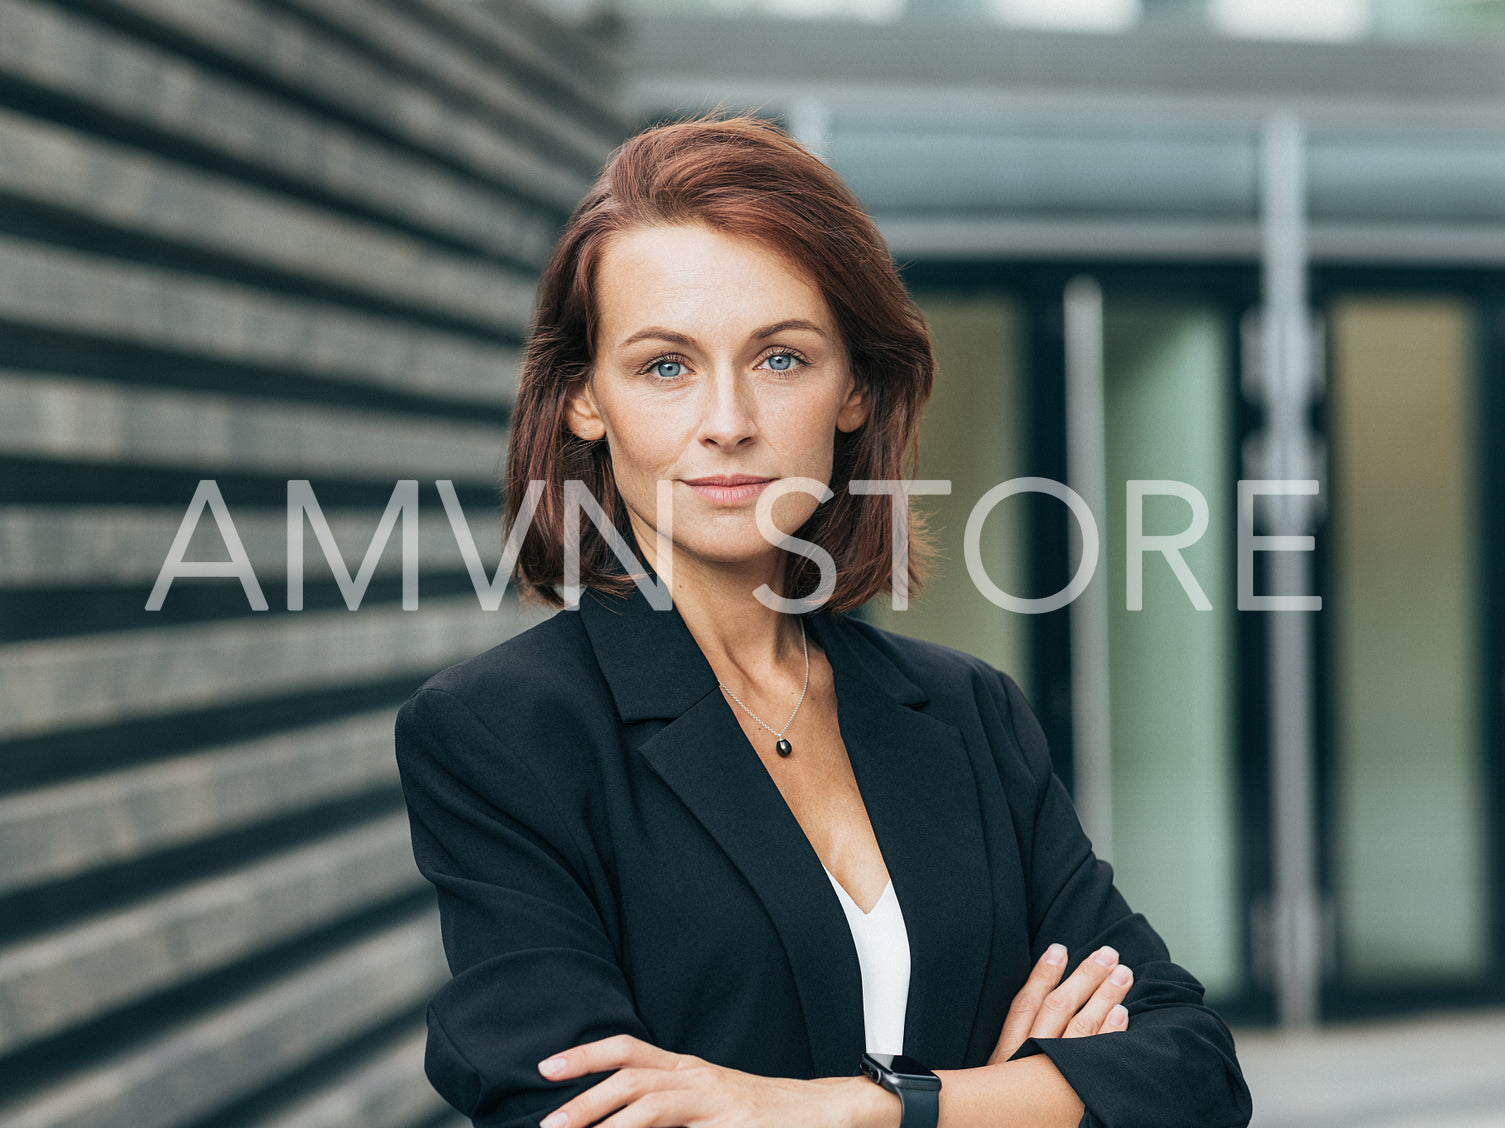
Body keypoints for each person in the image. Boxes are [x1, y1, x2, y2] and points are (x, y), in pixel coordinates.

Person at [394, 114, 1252, 1128]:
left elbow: (1189, 1072)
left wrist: (854, 1108)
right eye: (665, 364)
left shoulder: (967, 713)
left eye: (781, 359)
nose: (727, 419)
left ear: (853, 388)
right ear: (585, 399)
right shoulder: (504, 734)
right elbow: (580, 1114)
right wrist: (1018, 1094)